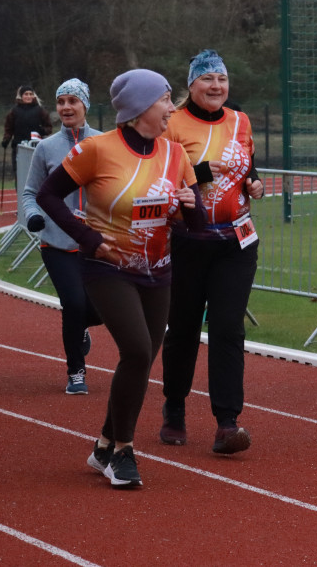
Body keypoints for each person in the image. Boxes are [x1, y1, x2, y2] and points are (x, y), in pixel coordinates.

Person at [37, 69, 205, 489]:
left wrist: (190, 204)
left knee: (143, 358)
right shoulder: (97, 149)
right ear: (140, 107)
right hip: (107, 267)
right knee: (136, 348)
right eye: (166, 100)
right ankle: (123, 453)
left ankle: (104, 445)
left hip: (158, 271)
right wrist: (89, 239)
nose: (172, 108)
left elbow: (195, 224)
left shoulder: (175, 154)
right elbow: (47, 196)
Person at [159, 49, 264, 455]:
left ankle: (227, 423)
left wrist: (255, 184)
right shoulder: (173, 125)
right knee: (183, 329)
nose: (216, 86)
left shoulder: (240, 121)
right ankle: (174, 407)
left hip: (236, 243)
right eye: (207, 80)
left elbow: (247, 167)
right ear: (191, 85)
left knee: (227, 328)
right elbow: (163, 181)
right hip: (189, 242)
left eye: (221, 79)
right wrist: (201, 173)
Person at [20, 78, 104, 395]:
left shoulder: (104, 142)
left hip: (96, 242)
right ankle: (76, 372)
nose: (66, 107)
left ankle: (80, 326)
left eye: (73, 101)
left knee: (100, 308)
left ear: (85, 105)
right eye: (61, 102)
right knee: (72, 302)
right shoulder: (46, 147)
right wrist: (34, 217)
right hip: (57, 242)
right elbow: (30, 193)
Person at [2, 85, 52, 184]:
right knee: (19, 174)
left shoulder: (40, 110)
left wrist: (41, 131)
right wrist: (6, 139)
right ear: (21, 96)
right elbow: (9, 128)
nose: (28, 96)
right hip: (19, 147)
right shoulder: (14, 111)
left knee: (37, 174)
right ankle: (20, 196)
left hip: (36, 147)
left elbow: (49, 127)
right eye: (26, 94)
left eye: (30, 94)